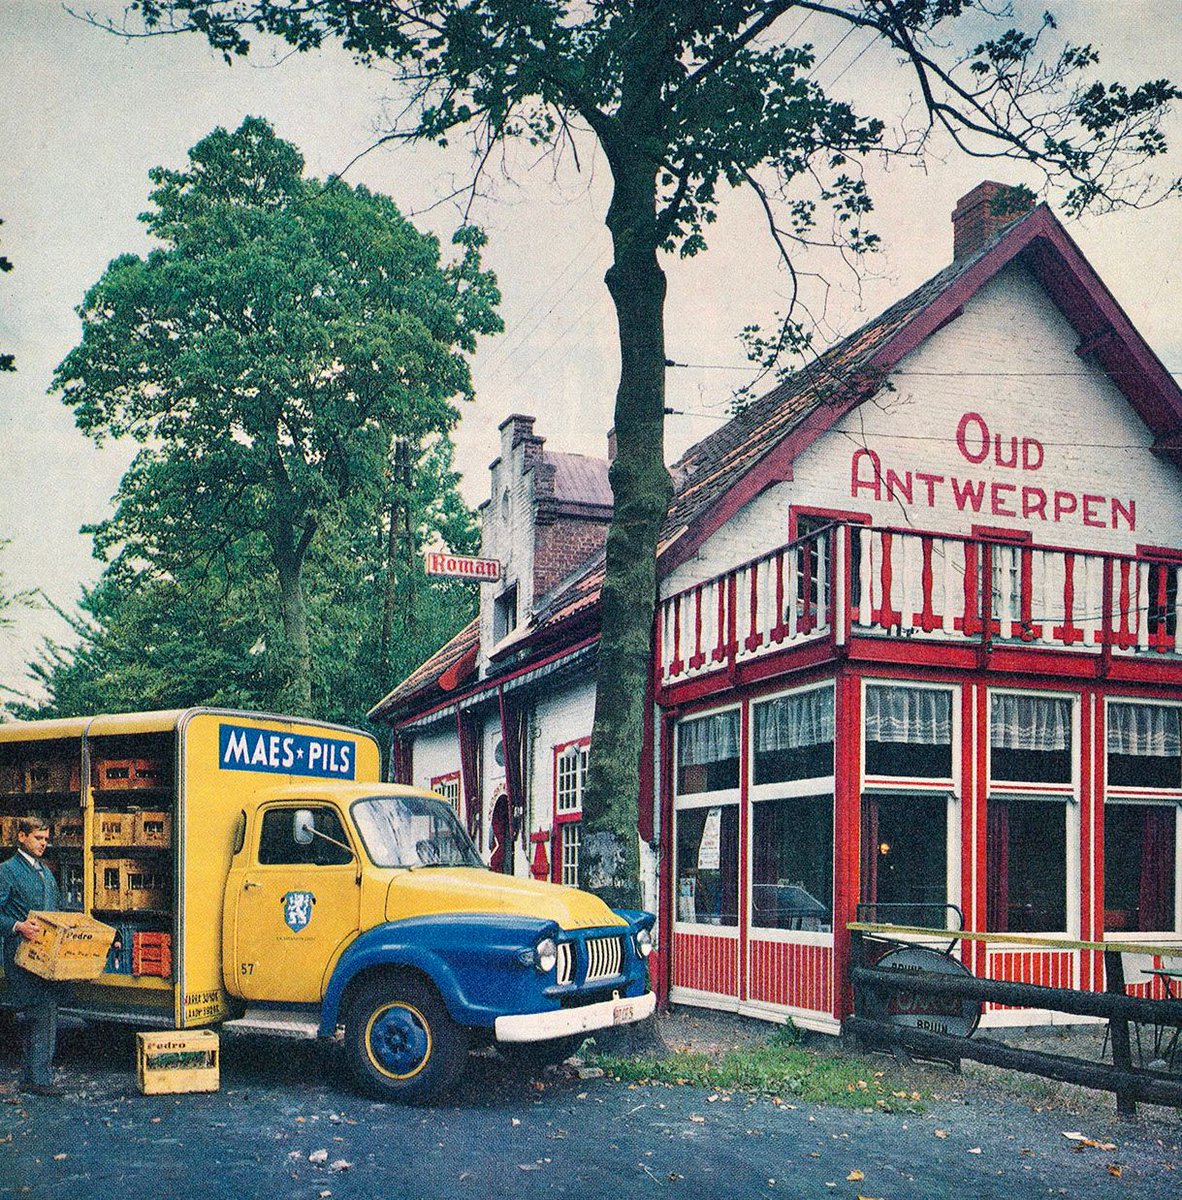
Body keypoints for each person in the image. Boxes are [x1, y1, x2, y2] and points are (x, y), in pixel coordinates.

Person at [0, 817, 63, 1096]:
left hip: (44, 954)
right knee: (39, 1009)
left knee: (45, 1009)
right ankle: (37, 1080)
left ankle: (35, 1077)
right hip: (19, 953)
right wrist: (17, 926)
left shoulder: (45, 871)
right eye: (38, 838)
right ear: (22, 836)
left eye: (46, 839)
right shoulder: (7, 870)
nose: (43, 844)